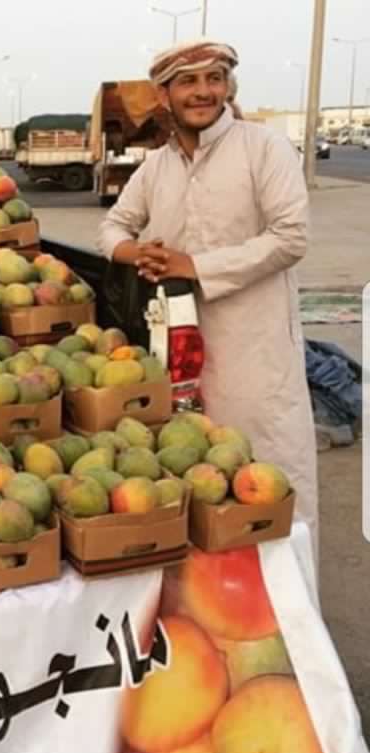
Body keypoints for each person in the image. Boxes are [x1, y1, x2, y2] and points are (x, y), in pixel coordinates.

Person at [97, 40, 320, 578]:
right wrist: (136, 251)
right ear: (165, 95)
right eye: (188, 82)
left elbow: (291, 238)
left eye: (213, 79)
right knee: (196, 484)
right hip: (181, 354)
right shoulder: (157, 168)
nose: (203, 92)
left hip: (257, 352)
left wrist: (191, 265)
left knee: (273, 486)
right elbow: (111, 228)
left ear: (228, 87)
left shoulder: (263, 148)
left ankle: (299, 629)